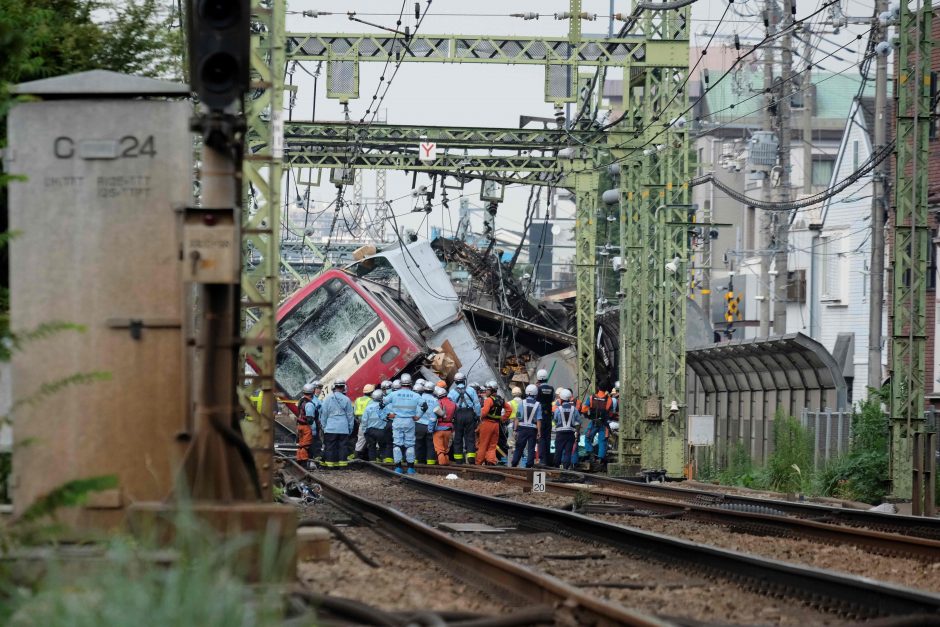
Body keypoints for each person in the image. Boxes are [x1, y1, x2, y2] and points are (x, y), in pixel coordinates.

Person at [384, 373, 422, 474]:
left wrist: (387, 415)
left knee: (397, 444)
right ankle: (410, 468)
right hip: (410, 421)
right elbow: (425, 406)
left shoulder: (393, 394)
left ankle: (398, 467)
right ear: (411, 383)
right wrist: (418, 416)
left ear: (401, 383)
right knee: (410, 444)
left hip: (397, 420)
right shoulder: (416, 395)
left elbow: (381, 404)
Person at [320, 379, 355, 469]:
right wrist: (350, 428)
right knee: (343, 447)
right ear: (343, 387)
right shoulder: (347, 399)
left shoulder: (327, 399)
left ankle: (330, 465)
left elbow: (324, 414)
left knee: (330, 446)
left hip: (330, 427)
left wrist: (324, 426)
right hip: (343, 428)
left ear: (334, 387)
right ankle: (342, 466)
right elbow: (350, 416)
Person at [448, 372, 481, 464]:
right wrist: (478, 416)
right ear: (464, 380)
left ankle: (458, 459)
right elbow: (477, 405)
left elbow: (449, 406)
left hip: (458, 415)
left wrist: (451, 418)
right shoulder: (471, 390)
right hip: (470, 414)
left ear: (455, 382)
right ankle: (470, 457)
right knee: (470, 437)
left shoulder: (452, 392)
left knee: (458, 437)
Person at [477, 380, 512, 465]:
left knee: (483, 444)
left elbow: (484, 412)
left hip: (487, 424)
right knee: (492, 446)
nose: (486, 391)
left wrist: (478, 417)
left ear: (492, 390)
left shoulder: (488, 400)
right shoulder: (501, 400)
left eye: (488, 390)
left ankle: (478, 462)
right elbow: (509, 410)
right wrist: (502, 418)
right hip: (496, 425)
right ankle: (491, 461)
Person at [581, 385, 613, 466]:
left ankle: (591, 455)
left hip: (594, 423)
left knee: (588, 437)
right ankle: (600, 459)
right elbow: (610, 412)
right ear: (606, 390)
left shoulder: (591, 398)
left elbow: (584, 409)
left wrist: (588, 416)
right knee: (602, 441)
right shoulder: (609, 399)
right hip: (604, 424)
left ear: (598, 388)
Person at [511, 384, 541, 468]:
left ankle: (514, 463)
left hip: (522, 428)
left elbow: (518, 417)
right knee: (531, 448)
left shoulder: (521, 402)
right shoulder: (538, 404)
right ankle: (529, 465)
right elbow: (538, 419)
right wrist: (539, 432)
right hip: (533, 429)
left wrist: (515, 430)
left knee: (519, 446)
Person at [553, 388, 580, 470]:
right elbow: (578, 422)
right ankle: (566, 468)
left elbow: (556, 419)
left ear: (561, 399)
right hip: (570, 433)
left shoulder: (558, 409)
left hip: (560, 433)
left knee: (558, 450)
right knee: (568, 452)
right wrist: (577, 433)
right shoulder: (574, 409)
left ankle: (556, 467)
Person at [534, 369, 555, 467]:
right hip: (548, 416)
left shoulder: (537, 389)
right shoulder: (551, 388)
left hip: (540, 416)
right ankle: (548, 459)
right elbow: (553, 399)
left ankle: (542, 460)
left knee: (541, 437)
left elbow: (535, 400)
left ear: (538, 378)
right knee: (547, 437)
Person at [414, 381, 438, 465]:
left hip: (418, 424)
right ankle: (430, 463)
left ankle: (417, 462)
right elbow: (436, 415)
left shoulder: (419, 398)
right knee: (430, 445)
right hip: (430, 425)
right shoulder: (435, 400)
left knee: (418, 443)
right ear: (433, 390)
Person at [362, 389, 389, 462]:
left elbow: (364, 420)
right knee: (383, 446)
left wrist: (364, 430)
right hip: (382, 431)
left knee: (371, 447)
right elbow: (388, 419)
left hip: (370, 430)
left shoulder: (368, 407)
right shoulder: (385, 407)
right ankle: (385, 462)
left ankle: (373, 463)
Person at [432, 383, 456, 465]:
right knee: (446, 449)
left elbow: (433, 418)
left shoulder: (438, 403)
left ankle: (442, 465)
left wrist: (430, 429)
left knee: (440, 450)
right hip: (449, 429)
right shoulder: (453, 404)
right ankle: (446, 463)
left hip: (438, 429)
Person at [296, 383, 318, 468]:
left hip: (300, 426)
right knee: (306, 446)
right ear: (312, 392)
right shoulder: (309, 404)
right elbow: (310, 419)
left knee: (301, 445)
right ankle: (305, 464)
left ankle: (300, 462)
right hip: (306, 427)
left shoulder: (301, 401)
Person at [352, 384, 375, 461]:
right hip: (370, 423)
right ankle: (372, 458)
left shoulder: (358, 400)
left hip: (361, 423)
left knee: (360, 440)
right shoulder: (371, 401)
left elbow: (354, 412)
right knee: (373, 441)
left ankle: (356, 458)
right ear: (372, 392)